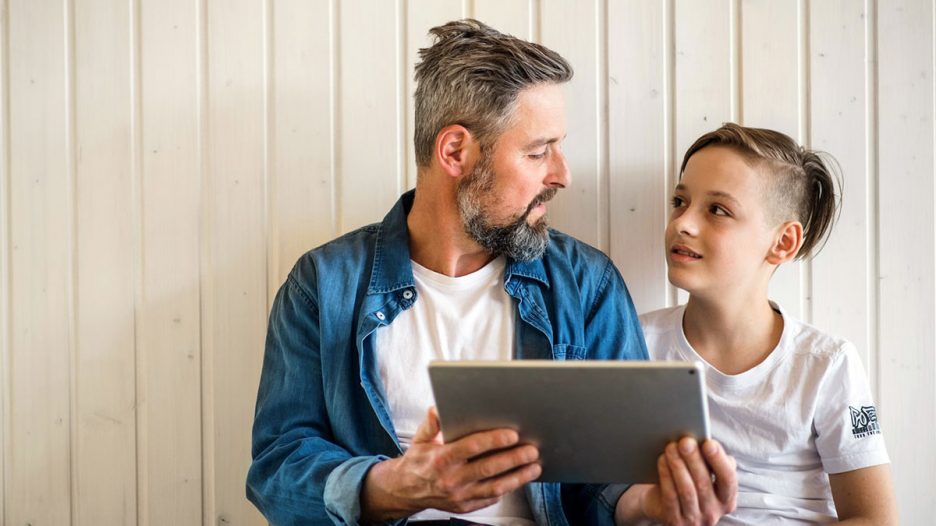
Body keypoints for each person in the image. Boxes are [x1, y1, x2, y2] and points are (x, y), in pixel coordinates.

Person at [247, 19, 736, 526]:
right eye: (538, 151)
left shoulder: (586, 284)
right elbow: (277, 470)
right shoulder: (324, 285)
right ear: (456, 151)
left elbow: (614, 478)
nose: (562, 174)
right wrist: (402, 486)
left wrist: (652, 503)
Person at [634, 123, 899, 524]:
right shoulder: (636, 343)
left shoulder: (827, 365)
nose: (683, 223)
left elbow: (876, 519)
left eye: (717, 210)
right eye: (679, 201)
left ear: (783, 243)